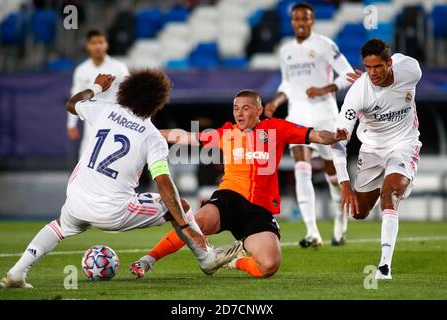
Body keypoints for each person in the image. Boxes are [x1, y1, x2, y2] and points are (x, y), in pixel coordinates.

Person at [0, 70, 244, 289]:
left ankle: (16, 272)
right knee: (182, 206)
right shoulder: (152, 137)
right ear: (158, 102)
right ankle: (206, 258)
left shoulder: (105, 110)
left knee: (59, 226)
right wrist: (184, 225)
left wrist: (96, 88)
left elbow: (72, 104)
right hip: (113, 210)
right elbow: (164, 184)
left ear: (127, 91)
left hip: (76, 198)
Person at [130, 89, 348, 279]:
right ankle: (147, 260)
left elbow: (316, 135)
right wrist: (150, 133)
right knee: (196, 223)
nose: (239, 113)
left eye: (246, 108)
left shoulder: (276, 129)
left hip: (259, 209)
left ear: (259, 110)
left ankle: (232, 261)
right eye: (236, 108)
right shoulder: (227, 133)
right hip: (229, 198)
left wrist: (333, 136)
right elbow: (186, 137)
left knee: (269, 265)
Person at [264, 3, 354, 247]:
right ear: (292, 21)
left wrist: (324, 89)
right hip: (297, 116)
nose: (300, 23)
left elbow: (348, 74)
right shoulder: (285, 50)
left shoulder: (325, 45)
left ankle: (340, 221)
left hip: (324, 115)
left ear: (312, 21)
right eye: (296, 19)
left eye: (305, 19)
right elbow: (287, 84)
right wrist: (275, 102)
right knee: (300, 169)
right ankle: (312, 232)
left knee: (332, 174)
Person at [331, 39, 422, 280]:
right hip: (371, 150)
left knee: (388, 194)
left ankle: (384, 266)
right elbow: (338, 140)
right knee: (359, 212)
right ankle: (396, 183)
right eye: (368, 68)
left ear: (390, 63)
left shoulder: (411, 70)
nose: (373, 73)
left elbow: (404, 68)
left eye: (378, 67)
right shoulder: (358, 92)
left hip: (404, 145)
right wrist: (344, 183)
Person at [67, 29, 129, 158]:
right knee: (86, 158)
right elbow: (75, 95)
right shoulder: (81, 70)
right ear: (88, 46)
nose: (97, 46)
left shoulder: (119, 68)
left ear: (106, 44)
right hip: (91, 121)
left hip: (115, 120)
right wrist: (71, 124)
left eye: (101, 42)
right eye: (93, 43)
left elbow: (128, 94)